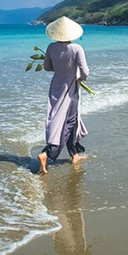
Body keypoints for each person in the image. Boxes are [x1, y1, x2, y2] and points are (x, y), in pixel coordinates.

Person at [38, 16, 89, 175]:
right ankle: (47, 153)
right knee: (69, 122)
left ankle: (74, 155)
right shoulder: (76, 48)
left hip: (55, 88)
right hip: (70, 89)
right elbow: (85, 71)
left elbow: (47, 67)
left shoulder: (51, 47)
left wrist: (61, 69)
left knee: (60, 120)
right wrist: (79, 78)